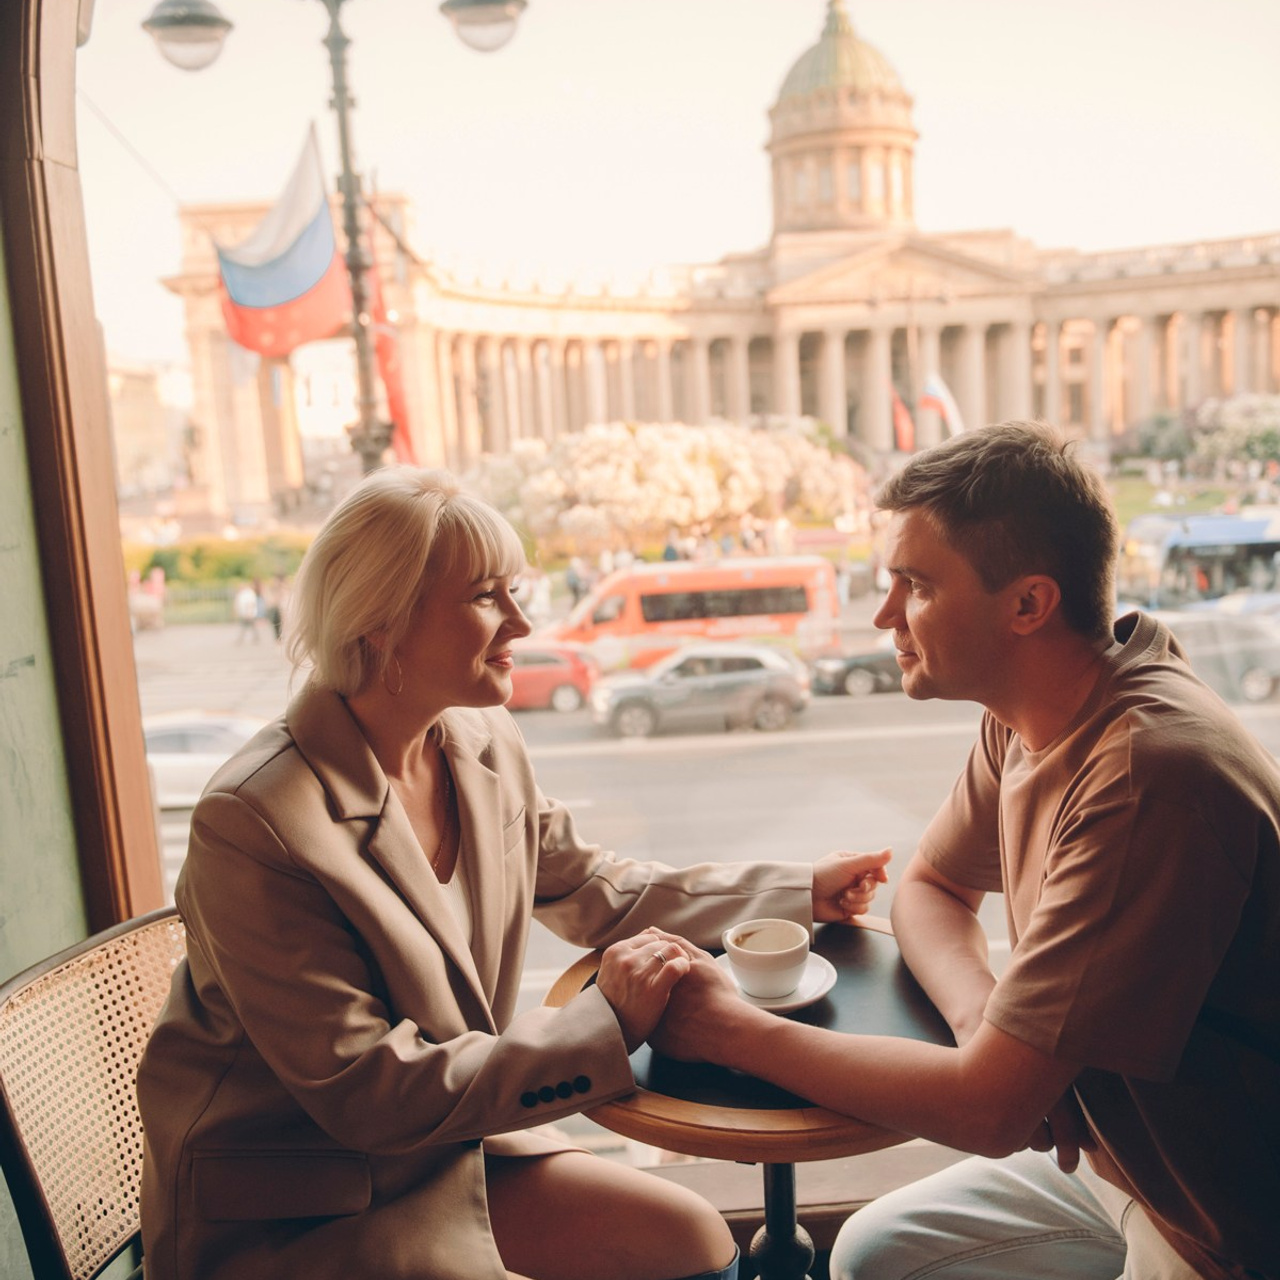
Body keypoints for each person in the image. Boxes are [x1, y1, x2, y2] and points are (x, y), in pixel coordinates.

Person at [136, 466, 891, 1280]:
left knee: (691, 1234)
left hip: (446, 1145)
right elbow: (367, 1090)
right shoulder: (255, 822)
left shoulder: (480, 746)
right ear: (380, 622)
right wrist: (607, 1023)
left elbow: (592, 888)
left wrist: (792, 892)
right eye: (487, 596)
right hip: (302, 1208)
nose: (523, 623)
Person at [646, 422, 1280, 1280]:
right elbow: (933, 887)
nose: (883, 616)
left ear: (1027, 605)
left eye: (913, 585)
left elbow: (987, 1113)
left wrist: (730, 1029)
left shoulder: (1146, 776)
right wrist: (988, 1022)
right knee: (871, 1253)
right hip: (1113, 1161)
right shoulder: (1035, 706)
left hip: (1222, 1221)